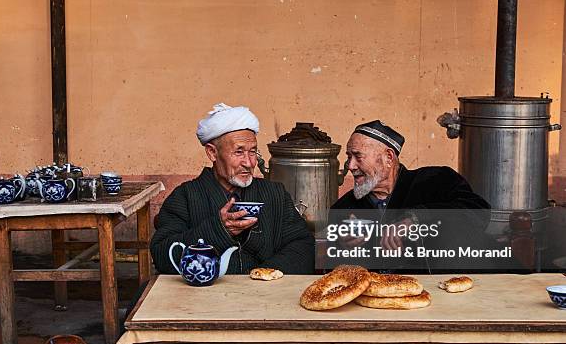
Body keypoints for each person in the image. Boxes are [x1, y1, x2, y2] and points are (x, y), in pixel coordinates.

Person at [150, 103, 315, 275]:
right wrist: (218, 230)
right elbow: (163, 256)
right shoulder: (185, 197)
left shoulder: (275, 194)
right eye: (238, 152)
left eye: (252, 152)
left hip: (265, 295)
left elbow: (304, 246)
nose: (249, 163)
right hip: (205, 297)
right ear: (212, 153)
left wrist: (264, 274)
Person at [331, 120, 490, 252]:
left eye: (358, 156)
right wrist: (342, 244)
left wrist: (415, 219)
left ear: (388, 157)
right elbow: (334, 260)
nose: (350, 166)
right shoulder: (344, 207)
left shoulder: (436, 181)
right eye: (349, 157)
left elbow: (478, 213)